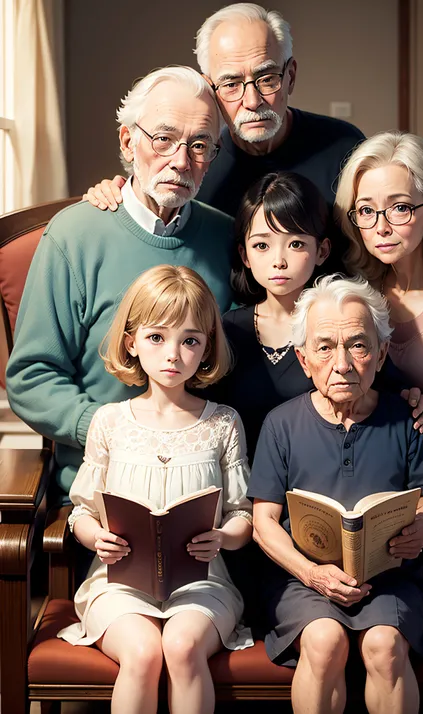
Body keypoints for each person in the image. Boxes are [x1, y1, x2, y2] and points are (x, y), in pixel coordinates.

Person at [6, 66, 235, 497]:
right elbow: (31, 376)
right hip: (104, 490)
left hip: (211, 489)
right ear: (129, 142)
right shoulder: (73, 235)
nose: (181, 161)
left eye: (200, 145)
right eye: (163, 139)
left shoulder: (229, 239)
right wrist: (118, 433)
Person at [247, 274, 423, 714]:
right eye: (324, 347)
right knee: (323, 641)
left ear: (380, 355)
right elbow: (263, 522)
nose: (341, 363)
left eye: (358, 346)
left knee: (384, 645)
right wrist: (311, 573)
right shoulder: (281, 424)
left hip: (391, 577)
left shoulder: (407, 418)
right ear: (304, 360)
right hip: (302, 579)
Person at [58, 264, 253, 714]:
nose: (173, 354)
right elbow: (81, 512)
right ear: (131, 342)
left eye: (189, 340)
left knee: (183, 647)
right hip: (118, 584)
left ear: (206, 347)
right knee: (144, 651)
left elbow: (243, 515)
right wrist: (96, 537)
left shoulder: (223, 422)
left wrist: (222, 538)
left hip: (202, 585)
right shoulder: (109, 421)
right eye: (156, 337)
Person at [213, 171, 423, 461]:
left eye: (295, 244)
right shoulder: (228, 331)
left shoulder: (347, 323)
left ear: (322, 250)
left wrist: (418, 402)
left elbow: (395, 390)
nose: (278, 260)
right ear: (245, 256)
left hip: (327, 485)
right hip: (247, 489)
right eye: (261, 245)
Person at [84, 3, 364, 231]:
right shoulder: (195, 165)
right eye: (231, 84)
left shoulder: (344, 147)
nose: (252, 101)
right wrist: (117, 194)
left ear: (290, 76)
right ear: (211, 89)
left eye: (266, 79)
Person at [335, 130, 423, 514]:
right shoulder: (357, 294)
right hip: (377, 480)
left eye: (399, 208)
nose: (380, 227)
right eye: (366, 210)